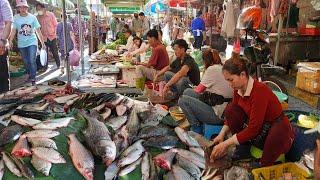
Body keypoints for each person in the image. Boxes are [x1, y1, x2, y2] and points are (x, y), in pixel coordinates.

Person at [210, 56, 294, 167]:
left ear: (243, 75)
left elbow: (253, 128)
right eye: (227, 80)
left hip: (276, 127)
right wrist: (221, 134)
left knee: (265, 163)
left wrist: (226, 144)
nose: (230, 84)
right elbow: (232, 113)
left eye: (231, 80)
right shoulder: (238, 89)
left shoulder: (259, 91)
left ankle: (265, 162)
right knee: (230, 110)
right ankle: (244, 148)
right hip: (259, 127)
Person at [178, 49, 233, 133]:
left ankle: (196, 128)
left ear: (205, 61)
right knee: (187, 92)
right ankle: (196, 122)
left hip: (218, 114)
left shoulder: (212, 69)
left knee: (183, 100)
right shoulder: (220, 67)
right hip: (222, 108)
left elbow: (198, 90)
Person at [9, 0, 46, 86]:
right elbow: (13, 30)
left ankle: (33, 78)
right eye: (20, 7)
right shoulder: (15, 18)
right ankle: (30, 75)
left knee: (32, 60)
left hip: (32, 42)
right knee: (26, 61)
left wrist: (42, 43)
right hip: (21, 43)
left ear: (27, 7)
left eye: (24, 7)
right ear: (18, 8)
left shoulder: (33, 17)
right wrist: (10, 41)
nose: (22, 9)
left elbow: (38, 31)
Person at [36, 3, 60, 69]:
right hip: (43, 38)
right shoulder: (37, 17)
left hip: (52, 36)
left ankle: (58, 65)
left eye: (39, 9)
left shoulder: (50, 15)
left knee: (54, 52)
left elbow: (55, 25)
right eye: (37, 9)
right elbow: (37, 28)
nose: (38, 10)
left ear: (44, 9)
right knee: (44, 53)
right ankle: (45, 67)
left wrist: (55, 34)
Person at [0, 0, 13, 93]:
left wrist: (3, 40)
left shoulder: (3, 2)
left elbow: (8, 23)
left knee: (2, 76)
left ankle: (4, 101)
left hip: (0, 44)